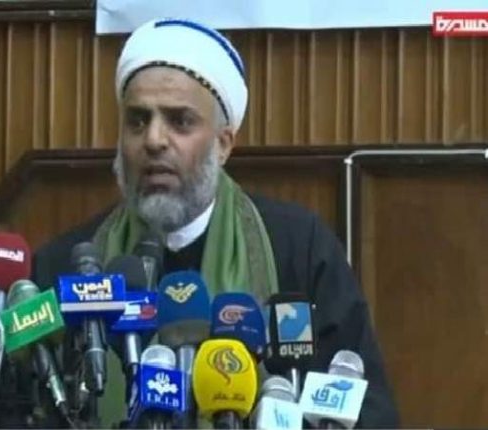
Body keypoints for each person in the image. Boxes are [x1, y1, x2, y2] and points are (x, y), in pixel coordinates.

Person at [33, 18, 399, 428]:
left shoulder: (298, 248)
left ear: (223, 144)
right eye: (137, 120)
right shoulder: (65, 266)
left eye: (179, 121)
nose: (153, 140)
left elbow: (370, 411)